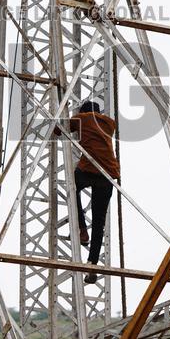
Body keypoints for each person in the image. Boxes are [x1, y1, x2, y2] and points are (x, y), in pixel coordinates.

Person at [54, 100, 118, 284]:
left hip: (90, 168)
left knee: (72, 190)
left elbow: (58, 129)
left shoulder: (83, 118)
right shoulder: (109, 123)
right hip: (108, 173)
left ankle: (82, 229)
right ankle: (92, 265)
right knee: (99, 223)